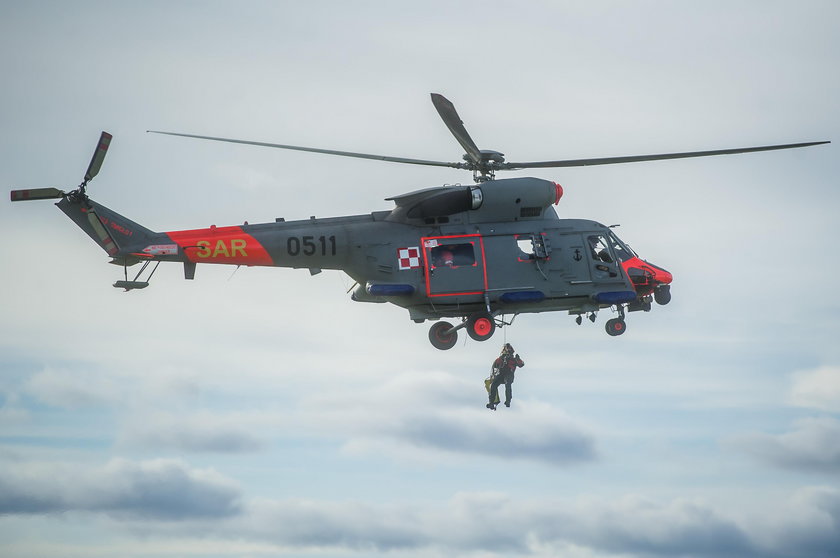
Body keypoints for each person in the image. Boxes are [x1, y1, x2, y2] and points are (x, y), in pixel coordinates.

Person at [486, 343, 525, 410]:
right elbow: (495, 366)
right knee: (493, 385)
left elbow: (521, 364)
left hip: (509, 375)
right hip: (501, 375)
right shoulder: (500, 359)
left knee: (508, 384)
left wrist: (518, 359)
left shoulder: (514, 359)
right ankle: (491, 402)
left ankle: (508, 401)